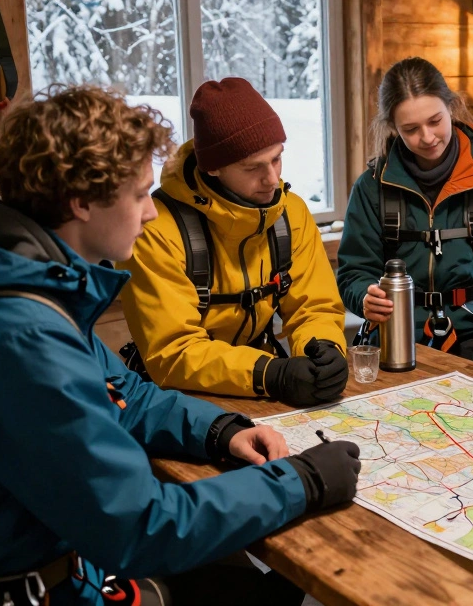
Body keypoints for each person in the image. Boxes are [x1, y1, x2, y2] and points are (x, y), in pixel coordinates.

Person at [0, 86, 361, 606]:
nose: (151, 213)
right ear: (82, 202)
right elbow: (140, 527)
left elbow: (125, 394)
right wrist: (300, 481)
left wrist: (221, 430)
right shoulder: (17, 336)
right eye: (140, 195)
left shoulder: (32, 284)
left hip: (42, 564)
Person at [119, 77, 349, 404]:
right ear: (213, 169)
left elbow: (314, 307)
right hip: (177, 399)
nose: (272, 179)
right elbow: (173, 352)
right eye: (252, 168)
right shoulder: (154, 230)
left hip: (262, 386)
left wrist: (324, 347)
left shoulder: (291, 214)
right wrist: (270, 374)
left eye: (276, 158)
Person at [335, 57, 473, 366]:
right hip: (393, 340)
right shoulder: (370, 187)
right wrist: (364, 296)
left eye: (435, 121)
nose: (427, 137)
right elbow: (353, 272)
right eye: (411, 129)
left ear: (451, 108)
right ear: (393, 128)